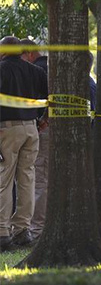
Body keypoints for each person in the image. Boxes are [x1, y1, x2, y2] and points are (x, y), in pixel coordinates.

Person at [0, 36, 48, 251]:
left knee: (4, 179)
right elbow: (49, 97)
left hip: (6, 129)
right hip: (31, 128)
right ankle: (22, 230)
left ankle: (2, 232)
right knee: (27, 178)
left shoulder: (1, 70)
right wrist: (42, 119)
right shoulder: (36, 71)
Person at [20, 39, 48, 239]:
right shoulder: (45, 69)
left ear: (29, 53)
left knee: (37, 178)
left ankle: (35, 228)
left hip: (41, 130)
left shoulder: (36, 71)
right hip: (37, 127)